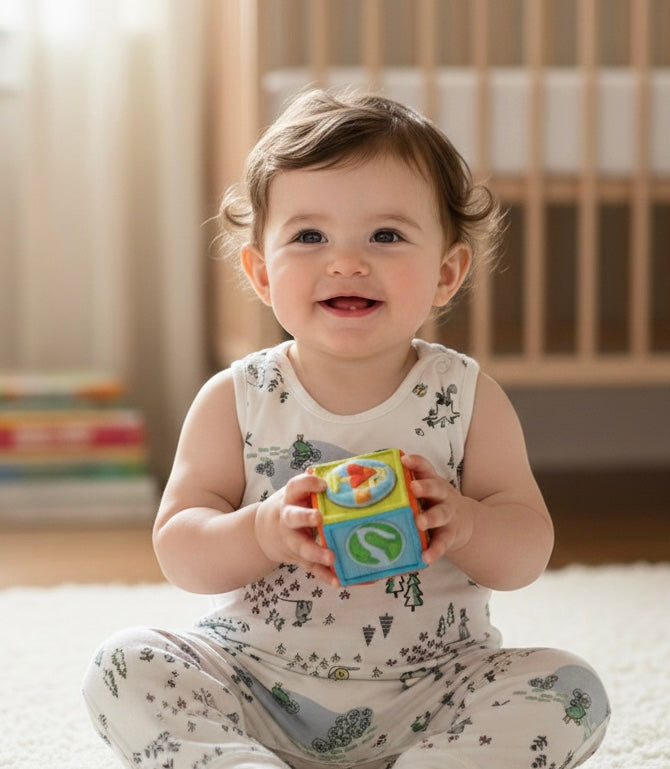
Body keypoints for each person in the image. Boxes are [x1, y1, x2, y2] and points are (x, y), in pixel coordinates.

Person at [83, 89, 610, 769]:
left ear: (447, 272)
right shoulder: (236, 398)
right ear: (261, 272)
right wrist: (263, 529)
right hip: (255, 680)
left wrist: (471, 522)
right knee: (124, 664)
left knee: (570, 690)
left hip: (432, 686)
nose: (346, 261)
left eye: (386, 235)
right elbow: (180, 548)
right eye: (309, 236)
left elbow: (527, 551)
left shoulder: (467, 397)